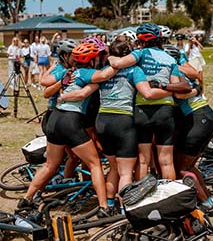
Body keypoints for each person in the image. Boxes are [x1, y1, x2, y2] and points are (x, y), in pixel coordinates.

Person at [60, 38, 172, 213]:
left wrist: (63, 95)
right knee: (125, 172)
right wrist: (171, 90)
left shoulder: (104, 71)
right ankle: (125, 209)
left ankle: (108, 205)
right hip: (123, 122)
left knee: (113, 168)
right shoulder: (134, 70)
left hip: (102, 121)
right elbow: (147, 93)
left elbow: (84, 92)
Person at [17, 43, 118, 218]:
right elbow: (104, 75)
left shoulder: (69, 72)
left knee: (50, 165)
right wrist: (118, 62)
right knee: (95, 164)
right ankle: (104, 207)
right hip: (71, 121)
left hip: (55, 118)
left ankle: (26, 199)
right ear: (91, 60)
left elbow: (48, 88)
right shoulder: (87, 73)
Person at [108, 23, 191, 181]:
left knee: (143, 159)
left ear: (140, 40)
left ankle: (142, 198)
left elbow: (116, 64)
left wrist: (110, 54)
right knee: (166, 161)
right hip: (166, 110)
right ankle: (170, 197)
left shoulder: (140, 54)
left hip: (142, 110)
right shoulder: (169, 58)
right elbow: (175, 86)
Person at [164, 46, 213, 215]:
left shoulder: (174, 75)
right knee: (189, 165)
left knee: (182, 168)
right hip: (206, 116)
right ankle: (208, 200)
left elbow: (180, 95)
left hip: (197, 119)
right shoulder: (184, 74)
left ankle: (206, 203)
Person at [185, 35, 206, 99]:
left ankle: (202, 93)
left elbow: (202, 48)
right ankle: (194, 93)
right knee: (192, 79)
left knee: (200, 79)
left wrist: (196, 41)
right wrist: (190, 44)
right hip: (192, 61)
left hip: (198, 61)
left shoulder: (197, 45)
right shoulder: (187, 45)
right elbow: (187, 53)